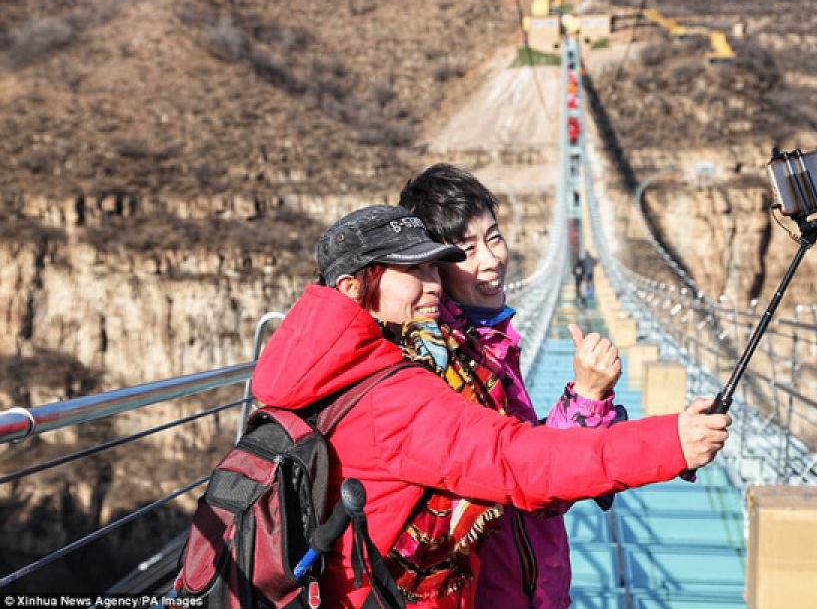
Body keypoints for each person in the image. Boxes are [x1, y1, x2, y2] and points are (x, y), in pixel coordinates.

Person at [251, 204, 730, 609]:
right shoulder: (393, 399)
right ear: (354, 287)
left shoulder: (326, 366)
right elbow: (518, 462)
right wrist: (670, 442)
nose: (434, 282)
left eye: (434, 266)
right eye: (412, 269)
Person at [399, 164, 612, 608]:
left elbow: (527, 455)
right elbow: (533, 480)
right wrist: (586, 398)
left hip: (534, 585)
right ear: (435, 268)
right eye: (467, 249)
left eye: (493, 237)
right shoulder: (447, 367)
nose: (491, 259)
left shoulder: (491, 342)